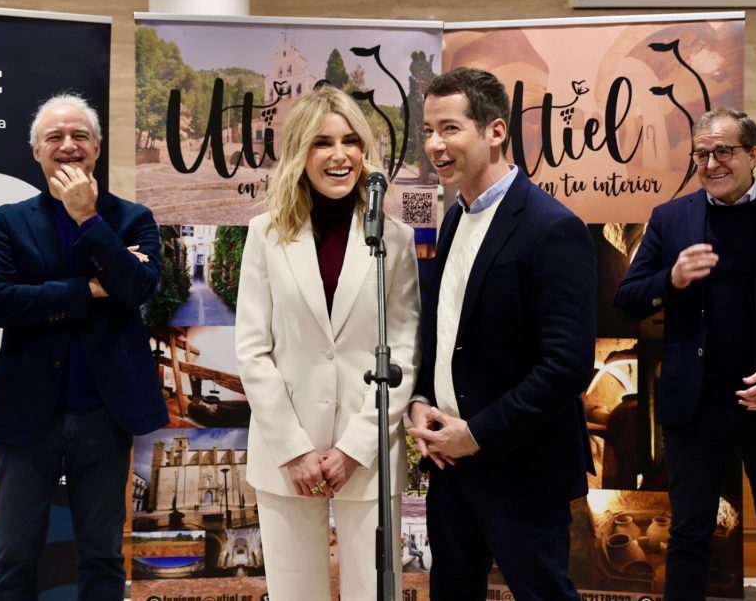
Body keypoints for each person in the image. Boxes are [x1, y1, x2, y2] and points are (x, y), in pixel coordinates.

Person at [613, 107, 756, 600]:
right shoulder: (669, 218)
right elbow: (627, 299)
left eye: (724, 151)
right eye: (701, 154)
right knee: (688, 537)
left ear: (753, 154)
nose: (711, 163)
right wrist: (671, 279)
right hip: (694, 405)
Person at [408, 67, 596, 601]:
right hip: (450, 465)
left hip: (522, 470)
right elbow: (445, 329)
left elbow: (565, 367)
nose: (434, 145)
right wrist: (420, 399)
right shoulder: (453, 219)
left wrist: (477, 434)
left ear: (495, 131)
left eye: (450, 128)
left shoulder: (552, 227)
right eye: (429, 130)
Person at [234, 85, 420, 601]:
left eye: (350, 141)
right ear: (300, 152)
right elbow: (252, 350)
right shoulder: (265, 234)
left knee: (375, 593)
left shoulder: (395, 239)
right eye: (322, 142)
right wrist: (294, 449)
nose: (340, 155)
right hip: (285, 455)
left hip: (368, 453)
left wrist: (355, 448)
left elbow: (402, 355)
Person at [0, 93, 169, 599]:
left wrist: (88, 218)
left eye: (79, 136)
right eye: (55, 137)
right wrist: (89, 288)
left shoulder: (132, 219)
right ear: (36, 151)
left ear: (97, 148)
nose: (68, 145)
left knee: (102, 555)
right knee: (14, 554)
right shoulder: (9, 220)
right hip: (27, 415)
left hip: (104, 417)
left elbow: (136, 289)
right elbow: (0, 301)